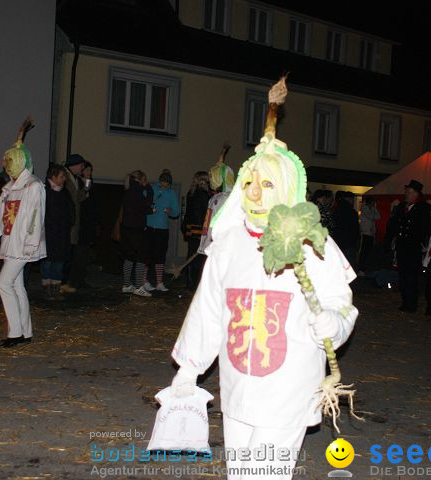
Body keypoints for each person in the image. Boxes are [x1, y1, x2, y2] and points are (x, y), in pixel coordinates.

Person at [170, 78, 357, 480]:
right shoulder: (229, 243)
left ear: (287, 187)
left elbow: (341, 304)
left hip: (287, 389)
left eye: (267, 183)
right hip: (238, 388)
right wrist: (189, 367)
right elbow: (209, 308)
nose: (254, 192)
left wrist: (334, 322)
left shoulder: (313, 244)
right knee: (240, 475)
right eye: (250, 182)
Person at [0, 118, 46, 348]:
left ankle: (15, 333)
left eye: (10, 160)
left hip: (22, 245)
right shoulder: (9, 188)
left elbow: (34, 218)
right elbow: (0, 218)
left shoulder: (34, 186)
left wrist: (31, 244)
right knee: (16, 286)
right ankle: (25, 331)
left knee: (4, 283)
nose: (7, 164)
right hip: (11, 243)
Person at [394, 179, 431, 313]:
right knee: (402, 276)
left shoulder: (423, 208)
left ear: (416, 194)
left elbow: (427, 228)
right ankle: (405, 301)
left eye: (410, 192)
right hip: (401, 247)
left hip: (413, 248)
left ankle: (411, 304)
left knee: (411, 277)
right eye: (407, 191)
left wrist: (420, 241)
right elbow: (394, 224)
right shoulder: (401, 207)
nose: (407, 194)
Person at [41, 164, 75, 299]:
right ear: (53, 177)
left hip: (62, 233)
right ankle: (47, 288)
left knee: (59, 261)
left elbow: (71, 210)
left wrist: (69, 222)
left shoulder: (64, 192)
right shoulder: (44, 192)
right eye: (62, 176)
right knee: (48, 261)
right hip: (49, 233)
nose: (64, 179)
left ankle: (56, 288)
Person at [142, 169, 179, 292]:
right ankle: (144, 281)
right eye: (163, 183)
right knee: (146, 255)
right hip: (149, 227)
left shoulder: (172, 194)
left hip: (162, 229)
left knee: (160, 256)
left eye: (167, 184)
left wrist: (171, 211)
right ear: (160, 181)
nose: (165, 185)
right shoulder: (152, 189)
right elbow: (142, 202)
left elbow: (177, 212)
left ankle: (159, 282)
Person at [119, 170, 153, 297]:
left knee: (129, 257)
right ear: (140, 180)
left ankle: (127, 285)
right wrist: (149, 189)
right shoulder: (138, 192)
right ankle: (139, 286)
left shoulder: (128, 191)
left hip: (127, 229)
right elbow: (147, 206)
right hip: (137, 230)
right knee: (140, 258)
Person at [197, 144, 235, 255]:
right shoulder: (216, 198)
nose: (210, 180)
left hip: (220, 246)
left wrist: (207, 243)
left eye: (213, 177)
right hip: (215, 245)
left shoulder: (222, 200)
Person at [63, 153, 90, 292]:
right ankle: (63, 281)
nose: (82, 168)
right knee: (66, 251)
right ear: (75, 165)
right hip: (67, 220)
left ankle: (67, 281)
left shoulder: (75, 178)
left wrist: (85, 186)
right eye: (81, 165)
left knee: (71, 250)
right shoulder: (65, 177)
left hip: (74, 220)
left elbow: (78, 198)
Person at [183, 171, 212, 291]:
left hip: (191, 229)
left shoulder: (191, 193)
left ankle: (189, 282)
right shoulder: (205, 195)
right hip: (200, 230)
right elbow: (206, 213)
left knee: (192, 255)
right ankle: (196, 284)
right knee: (199, 258)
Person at [75, 160, 99, 288]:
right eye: (87, 170)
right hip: (80, 222)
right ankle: (76, 278)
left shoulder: (92, 184)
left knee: (85, 252)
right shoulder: (78, 183)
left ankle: (82, 278)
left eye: (90, 170)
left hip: (88, 222)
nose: (89, 173)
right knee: (79, 251)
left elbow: (94, 203)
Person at [332, 191, 360, 269]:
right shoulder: (352, 211)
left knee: (339, 263)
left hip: (338, 240)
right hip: (349, 241)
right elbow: (355, 228)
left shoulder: (336, 210)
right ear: (350, 199)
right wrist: (357, 240)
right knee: (349, 264)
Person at [358, 197, 381, 275]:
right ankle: (360, 269)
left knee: (368, 251)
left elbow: (378, 217)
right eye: (373, 202)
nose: (374, 204)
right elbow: (371, 217)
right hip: (365, 233)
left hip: (371, 233)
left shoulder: (372, 209)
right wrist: (373, 209)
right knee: (364, 251)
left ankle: (366, 268)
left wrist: (374, 209)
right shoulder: (364, 208)